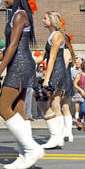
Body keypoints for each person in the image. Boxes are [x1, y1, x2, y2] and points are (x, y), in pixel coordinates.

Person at [0, 0, 44, 169]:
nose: (5, 0)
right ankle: (24, 156)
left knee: (3, 107)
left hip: (19, 65)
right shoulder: (16, 15)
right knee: (19, 110)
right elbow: (7, 49)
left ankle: (31, 148)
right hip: (20, 64)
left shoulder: (20, 15)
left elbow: (12, 47)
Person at [35, 12, 69, 149]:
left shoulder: (57, 35)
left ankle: (56, 136)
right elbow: (42, 57)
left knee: (42, 99)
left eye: (45, 18)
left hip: (57, 71)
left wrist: (46, 79)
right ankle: (58, 136)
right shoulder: (51, 35)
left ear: (52, 20)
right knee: (55, 104)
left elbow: (53, 58)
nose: (42, 20)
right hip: (55, 71)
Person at [61, 34, 76, 142]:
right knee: (64, 107)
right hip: (67, 80)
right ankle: (67, 132)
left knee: (63, 107)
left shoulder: (65, 51)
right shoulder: (69, 51)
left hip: (64, 81)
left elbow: (64, 66)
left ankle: (67, 133)